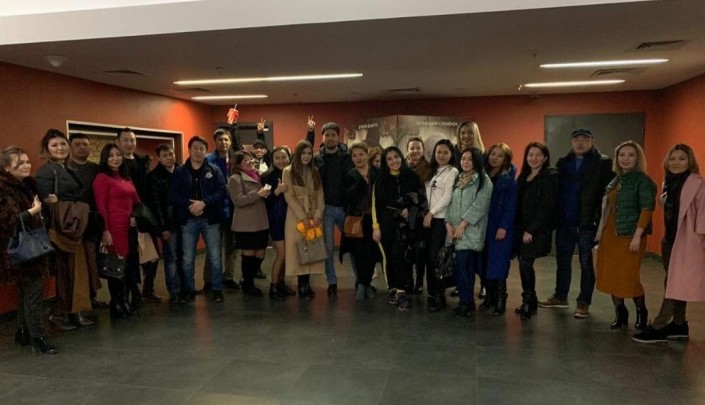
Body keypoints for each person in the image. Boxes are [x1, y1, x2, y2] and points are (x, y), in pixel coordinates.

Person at [539, 128, 614, 319]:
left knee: (586, 263)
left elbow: (609, 193)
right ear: (571, 142)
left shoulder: (603, 163)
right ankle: (560, 296)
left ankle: (583, 302)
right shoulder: (563, 163)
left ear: (592, 141)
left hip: (588, 222)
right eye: (576, 139)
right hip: (565, 220)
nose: (580, 143)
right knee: (563, 261)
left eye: (585, 139)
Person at [633, 144, 704, 343]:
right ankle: (679, 324)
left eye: (682, 158)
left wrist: (700, 244)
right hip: (670, 240)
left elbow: (703, 216)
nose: (676, 163)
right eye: (672, 158)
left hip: (689, 242)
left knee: (674, 283)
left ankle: (660, 325)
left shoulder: (699, 184)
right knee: (675, 281)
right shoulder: (669, 182)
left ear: (690, 161)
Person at [0, 146, 57, 354]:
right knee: (33, 294)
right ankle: (38, 337)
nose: (26, 165)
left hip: (28, 248)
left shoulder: (27, 185)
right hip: (22, 249)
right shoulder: (4, 189)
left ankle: (23, 331)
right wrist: (34, 210)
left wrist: (46, 205)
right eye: (20, 163)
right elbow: (9, 220)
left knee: (25, 292)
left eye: (27, 161)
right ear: (7, 168)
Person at [36, 129, 94, 330]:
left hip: (74, 227)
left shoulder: (65, 169)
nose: (60, 148)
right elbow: (47, 203)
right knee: (64, 273)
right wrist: (59, 204)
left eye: (62, 144)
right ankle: (59, 313)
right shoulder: (47, 171)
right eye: (54, 145)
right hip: (61, 229)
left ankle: (74, 311)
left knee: (76, 272)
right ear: (46, 149)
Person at [595, 141, 656, 329]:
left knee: (629, 276)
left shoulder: (643, 181)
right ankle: (620, 313)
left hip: (630, 235)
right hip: (610, 235)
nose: (625, 159)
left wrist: (638, 235)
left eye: (631, 155)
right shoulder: (616, 180)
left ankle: (641, 311)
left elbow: (647, 209)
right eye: (622, 155)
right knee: (611, 275)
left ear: (638, 158)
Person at [171, 136, 227, 303]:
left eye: (202, 148)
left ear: (205, 151)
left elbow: (221, 191)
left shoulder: (214, 170)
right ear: (189, 150)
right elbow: (173, 195)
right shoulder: (179, 172)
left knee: (215, 257)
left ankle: (217, 289)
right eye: (195, 148)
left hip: (210, 219)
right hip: (188, 220)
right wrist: (191, 205)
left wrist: (204, 203)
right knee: (187, 258)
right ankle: (189, 289)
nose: (198, 151)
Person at [306, 116, 353, 296]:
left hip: (345, 209)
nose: (331, 138)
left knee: (354, 246)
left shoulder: (348, 157)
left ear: (338, 137)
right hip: (326, 209)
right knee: (328, 248)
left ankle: (361, 281)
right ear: (323, 137)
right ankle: (332, 282)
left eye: (333, 135)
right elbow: (304, 152)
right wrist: (310, 132)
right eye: (327, 135)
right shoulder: (317, 158)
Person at [93, 143, 141, 318]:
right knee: (116, 267)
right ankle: (117, 304)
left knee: (127, 266)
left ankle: (125, 300)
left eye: (118, 155)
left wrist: (134, 216)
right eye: (111, 155)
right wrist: (105, 231)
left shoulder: (125, 177)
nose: (115, 158)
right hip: (113, 228)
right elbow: (101, 207)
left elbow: (136, 201)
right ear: (105, 159)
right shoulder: (102, 178)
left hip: (129, 228)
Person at [445, 147, 493, 317]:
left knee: (464, 268)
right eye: (463, 158)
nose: (465, 162)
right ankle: (466, 303)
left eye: (470, 159)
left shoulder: (483, 180)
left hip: (470, 232)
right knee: (462, 269)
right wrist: (447, 223)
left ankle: (466, 303)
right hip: (455, 232)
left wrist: (463, 224)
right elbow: (450, 203)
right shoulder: (458, 179)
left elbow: (480, 206)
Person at [372, 146, 422, 310]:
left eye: (396, 157)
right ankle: (392, 289)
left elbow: (420, 199)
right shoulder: (380, 180)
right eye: (389, 159)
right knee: (388, 257)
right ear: (385, 162)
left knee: (399, 255)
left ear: (402, 157)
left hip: (405, 225)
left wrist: (410, 209)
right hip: (386, 223)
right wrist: (376, 227)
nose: (394, 161)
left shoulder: (412, 177)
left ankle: (401, 291)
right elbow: (375, 205)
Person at [514, 142, 558, 320]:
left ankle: (528, 300)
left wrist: (531, 230)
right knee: (523, 262)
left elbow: (546, 207)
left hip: (536, 229)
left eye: (538, 155)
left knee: (525, 261)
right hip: (521, 228)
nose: (534, 158)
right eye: (530, 154)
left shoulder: (549, 177)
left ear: (545, 157)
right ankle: (530, 299)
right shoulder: (524, 176)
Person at [115, 127, 155, 307]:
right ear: (118, 142)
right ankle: (132, 293)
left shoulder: (142, 161)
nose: (129, 143)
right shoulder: (116, 164)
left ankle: (148, 289)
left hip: (144, 215)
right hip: (125, 217)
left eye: (132, 140)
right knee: (130, 259)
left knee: (152, 255)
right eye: (125, 140)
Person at [282, 140, 325, 299]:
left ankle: (307, 283)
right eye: (303, 153)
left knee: (311, 249)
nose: (306, 156)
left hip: (313, 215)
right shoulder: (288, 171)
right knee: (298, 250)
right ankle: (302, 285)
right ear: (297, 154)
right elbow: (289, 196)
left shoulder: (314, 171)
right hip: (295, 216)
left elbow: (320, 193)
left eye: (309, 153)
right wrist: (302, 217)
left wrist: (318, 215)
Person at [67, 133, 104, 309]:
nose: (82, 147)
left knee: (93, 261)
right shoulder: (65, 169)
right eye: (77, 144)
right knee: (78, 264)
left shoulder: (96, 169)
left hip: (94, 222)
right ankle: (80, 301)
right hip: (73, 223)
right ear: (70, 147)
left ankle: (93, 295)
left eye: (85, 144)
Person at [145, 143, 185, 304]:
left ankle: (185, 288)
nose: (169, 158)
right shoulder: (154, 177)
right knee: (171, 258)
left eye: (171, 154)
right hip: (168, 223)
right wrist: (163, 227)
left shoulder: (182, 171)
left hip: (184, 221)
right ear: (159, 158)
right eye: (165, 155)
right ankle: (174, 291)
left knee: (184, 256)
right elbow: (156, 204)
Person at [481, 143, 518, 315]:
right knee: (485, 262)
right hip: (484, 226)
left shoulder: (509, 180)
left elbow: (511, 207)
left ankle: (501, 301)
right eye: (493, 154)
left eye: (500, 155)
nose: (494, 158)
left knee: (499, 264)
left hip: (500, 227)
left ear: (506, 159)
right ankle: (489, 297)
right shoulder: (482, 176)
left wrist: (503, 226)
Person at [229, 151, 272, 297]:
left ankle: (248, 279)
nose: (250, 162)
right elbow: (238, 200)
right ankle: (248, 284)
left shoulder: (259, 175)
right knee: (249, 254)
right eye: (245, 160)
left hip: (261, 221)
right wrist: (258, 194)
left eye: (251, 159)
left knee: (260, 253)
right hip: (246, 223)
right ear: (238, 164)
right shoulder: (235, 179)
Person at [341, 142, 380, 301]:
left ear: (366, 155)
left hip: (374, 220)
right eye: (354, 155)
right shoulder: (349, 175)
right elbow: (345, 198)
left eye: (361, 154)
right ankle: (363, 285)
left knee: (371, 253)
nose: (358, 158)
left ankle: (365, 284)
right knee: (358, 253)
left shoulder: (376, 173)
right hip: (356, 219)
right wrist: (359, 185)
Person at [424, 139, 459, 312]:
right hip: (429, 219)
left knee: (436, 258)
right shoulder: (432, 170)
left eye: (445, 152)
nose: (442, 155)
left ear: (451, 154)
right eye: (439, 152)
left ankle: (440, 295)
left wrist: (431, 212)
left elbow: (448, 196)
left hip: (440, 219)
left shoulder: (453, 171)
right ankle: (433, 292)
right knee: (428, 257)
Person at [204, 124, 239, 291]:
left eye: (226, 139)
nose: (223, 142)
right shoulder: (208, 160)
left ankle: (229, 277)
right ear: (215, 142)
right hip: (215, 209)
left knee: (232, 246)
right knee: (213, 246)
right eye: (220, 140)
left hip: (234, 209)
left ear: (230, 142)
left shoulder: (236, 160)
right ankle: (209, 279)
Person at [262, 147, 296, 300]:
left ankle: (281, 283)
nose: (281, 160)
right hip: (276, 220)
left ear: (289, 157)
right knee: (281, 255)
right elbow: (265, 200)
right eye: (277, 158)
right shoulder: (269, 176)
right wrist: (277, 191)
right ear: (272, 160)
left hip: (289, 219)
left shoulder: (291, 174)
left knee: (287, 255)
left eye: (284, 157)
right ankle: (273, 287)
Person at [406, 136, 432, 294]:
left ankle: (419, 281)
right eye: (412, 148)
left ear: (423, 150)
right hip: (405, 216)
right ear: (407, 150)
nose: (415, 151)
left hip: (422, 215)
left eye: (418, 148)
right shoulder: (402, 167)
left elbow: (429, 194)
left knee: (420, 250)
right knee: (407, 249)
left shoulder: (429, 168)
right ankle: (408, 280)